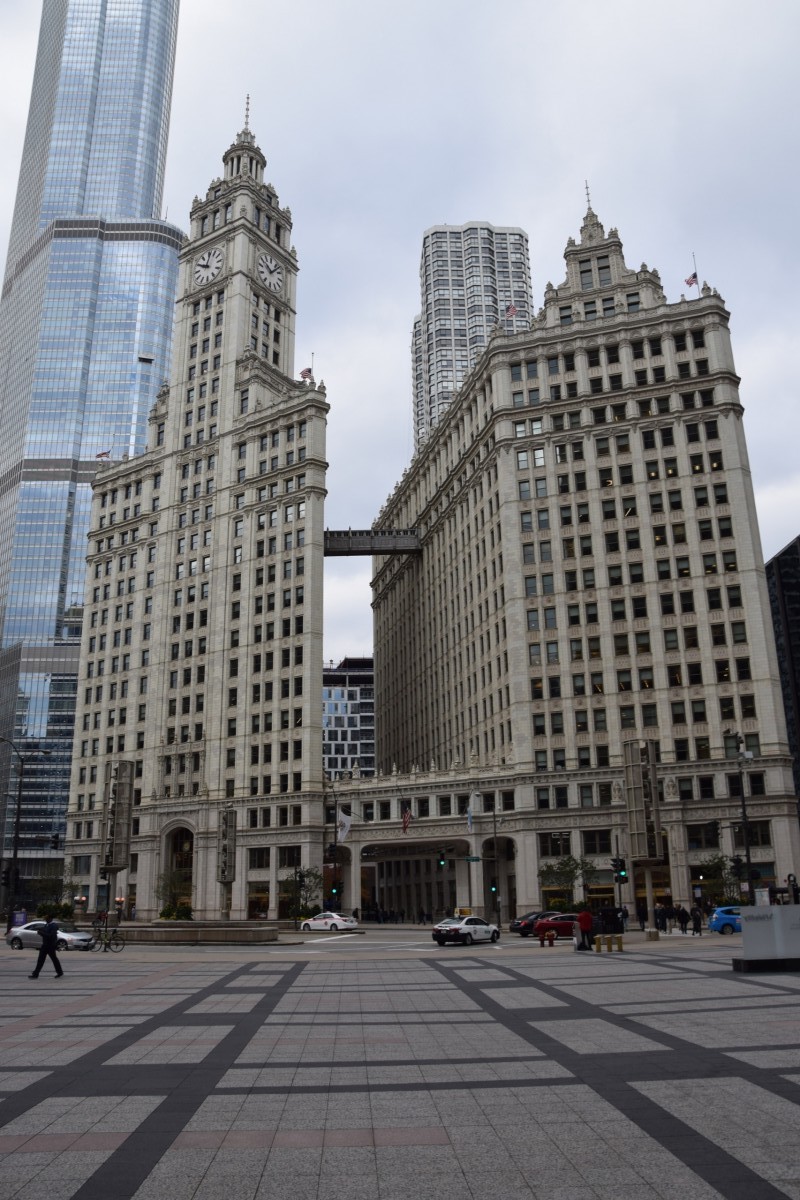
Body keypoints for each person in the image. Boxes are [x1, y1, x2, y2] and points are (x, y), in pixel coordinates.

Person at [29, 913, 64, 979]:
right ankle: (36, 974)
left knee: (54, 959)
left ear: (50, 919)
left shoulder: (53, 926)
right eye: (45, 918)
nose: (45, 919)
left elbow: (50, 936)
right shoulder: (47, 925)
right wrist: (41, 931)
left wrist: (41, 933)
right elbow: (46, 933)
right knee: (41, 960)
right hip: (45, 945)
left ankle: (59, 972)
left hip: (50, 946)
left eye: (47, 918)